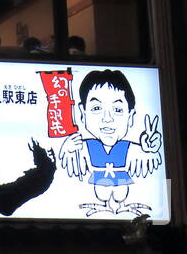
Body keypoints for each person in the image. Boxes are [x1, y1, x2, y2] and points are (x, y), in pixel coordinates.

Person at [58, 68, 162, 215]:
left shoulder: (127, 147)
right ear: (83, 113)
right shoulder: (86, 146)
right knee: (102, 192)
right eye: (97, 108)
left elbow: (149, 159)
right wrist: (67, 149)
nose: (107, 118)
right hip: (99, 183)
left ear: (131, 115)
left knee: (120, 193)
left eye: (117, 110)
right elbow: (70, 160)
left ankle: (121, 205)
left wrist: (150, 149)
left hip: (121, 182)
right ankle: (106, 205)